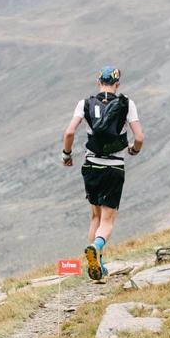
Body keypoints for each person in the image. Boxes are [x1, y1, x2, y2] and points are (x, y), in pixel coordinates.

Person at [61, 66, 144, 281]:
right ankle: (96, 247)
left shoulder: (85, 104)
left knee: (95, 216)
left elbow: (69, 132)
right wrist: (133, 150)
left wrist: (66, 155)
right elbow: (139, 138)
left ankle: (97, 263)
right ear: (117, 84)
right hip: (114, 167)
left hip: (91, 166)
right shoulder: (127, 104)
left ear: (98, 82)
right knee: (108, 220)